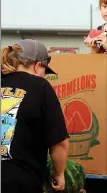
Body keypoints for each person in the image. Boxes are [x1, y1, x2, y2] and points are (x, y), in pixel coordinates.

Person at [1, 39, 69, 193]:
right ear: (38, 66)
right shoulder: (40, 86)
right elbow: (59, 143)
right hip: (19, 182)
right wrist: (59, 174)